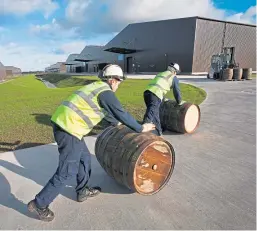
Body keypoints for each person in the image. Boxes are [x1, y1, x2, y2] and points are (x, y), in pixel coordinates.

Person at [27, 64, 155, 222]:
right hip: (68, 129)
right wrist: (141, 128)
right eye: (119, 81)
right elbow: (121, 112)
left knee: (84, 159)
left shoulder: (96, 88)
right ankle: (39, 204)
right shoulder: (106, 93)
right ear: (113, 80)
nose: (119, 84)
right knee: (67, 171)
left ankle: (82, 191)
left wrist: (116, 124)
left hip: (68, 126)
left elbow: (106, 112)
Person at [143, 62, 184, 136]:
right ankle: (142, 130)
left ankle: (159, 132)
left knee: (155, 114)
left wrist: (163, 98)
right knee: (151, 113)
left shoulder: (161, 73)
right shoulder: (173, 77)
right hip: (155, 94)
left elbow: (158, 85)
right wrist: (179, 102)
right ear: (175, 71)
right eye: (176, 72)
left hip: (147, 92)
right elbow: (177, 91)